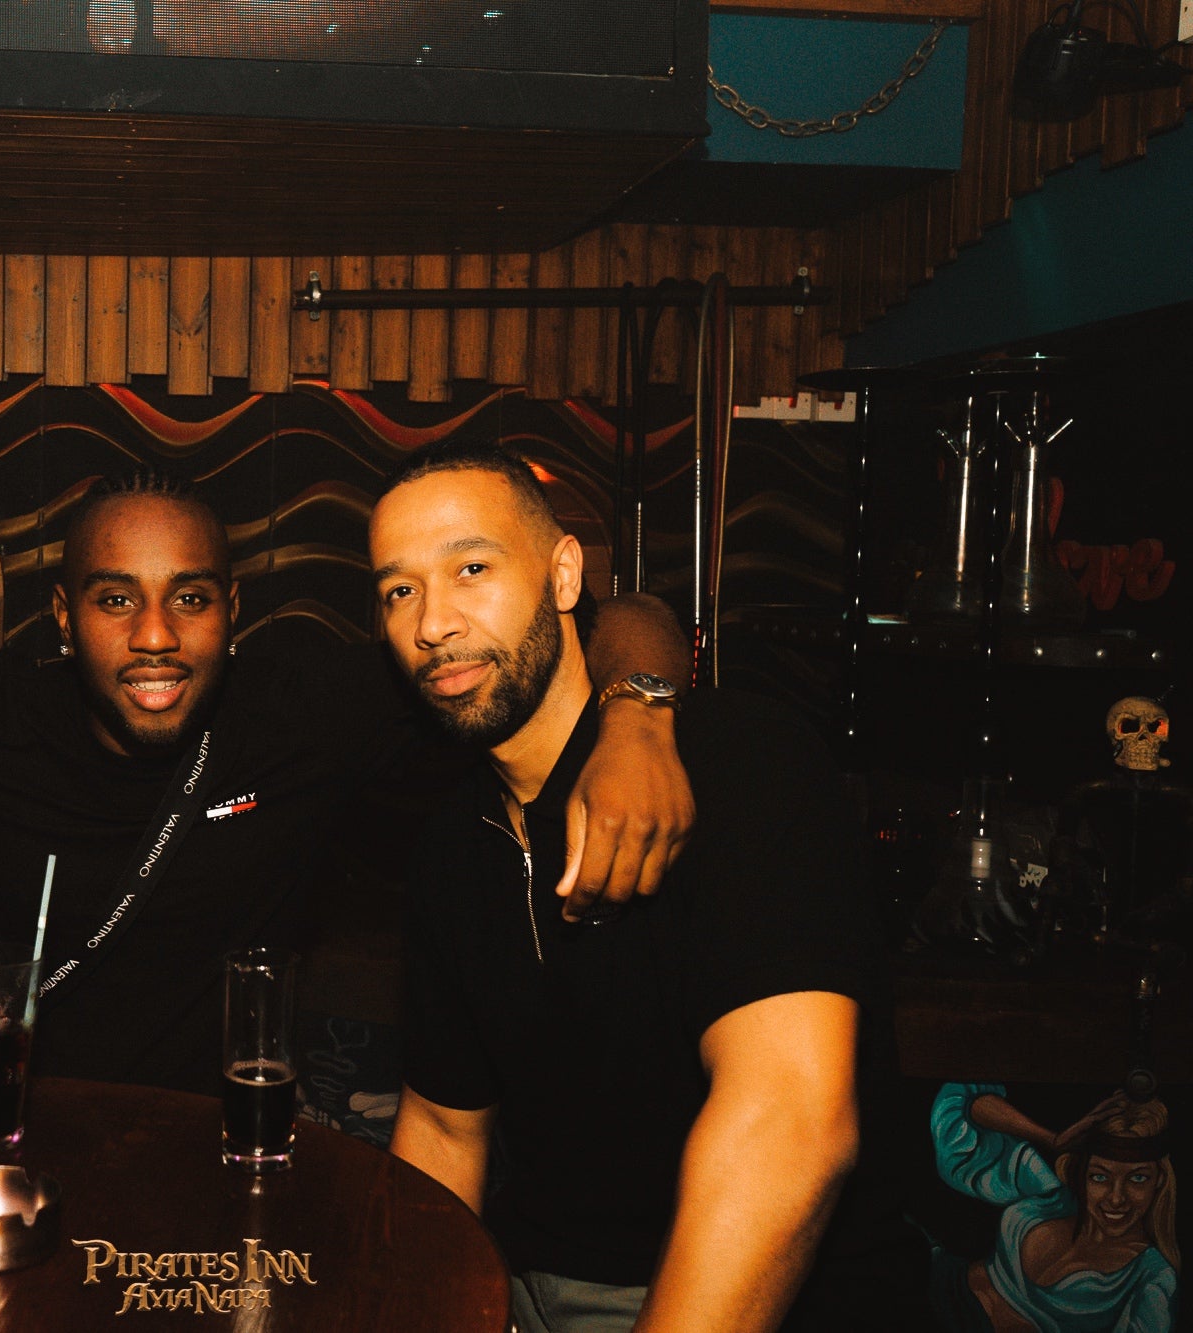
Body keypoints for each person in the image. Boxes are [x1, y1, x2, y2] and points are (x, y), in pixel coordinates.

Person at [0, 470, 695, 1093]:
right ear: (63, 621)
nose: (158, 637)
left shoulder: (303, 708)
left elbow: (621, 616)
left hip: (220, 1146)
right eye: (116, 600)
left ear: (234, 612)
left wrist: (639, 717)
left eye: (193, 599)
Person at [373, 439, 929, 1332]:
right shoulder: (452, 843)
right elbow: (444, 1132)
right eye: (399, 589)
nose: (432, 621)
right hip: (524, 1286)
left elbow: (790, 1125)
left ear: (562, 575)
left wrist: (635, 713)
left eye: (471, 567)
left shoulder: (742, 760)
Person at [930, 1083, 1178, 1331]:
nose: (1116, 1198)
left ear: (1159, 1181)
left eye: (1137, 1178)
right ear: (1081, 1176)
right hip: (933, 1286)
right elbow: (960, 1106)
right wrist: (1052, 1139)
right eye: (1099, 1177)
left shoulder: (1151, 1275)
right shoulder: (1052, 1196)